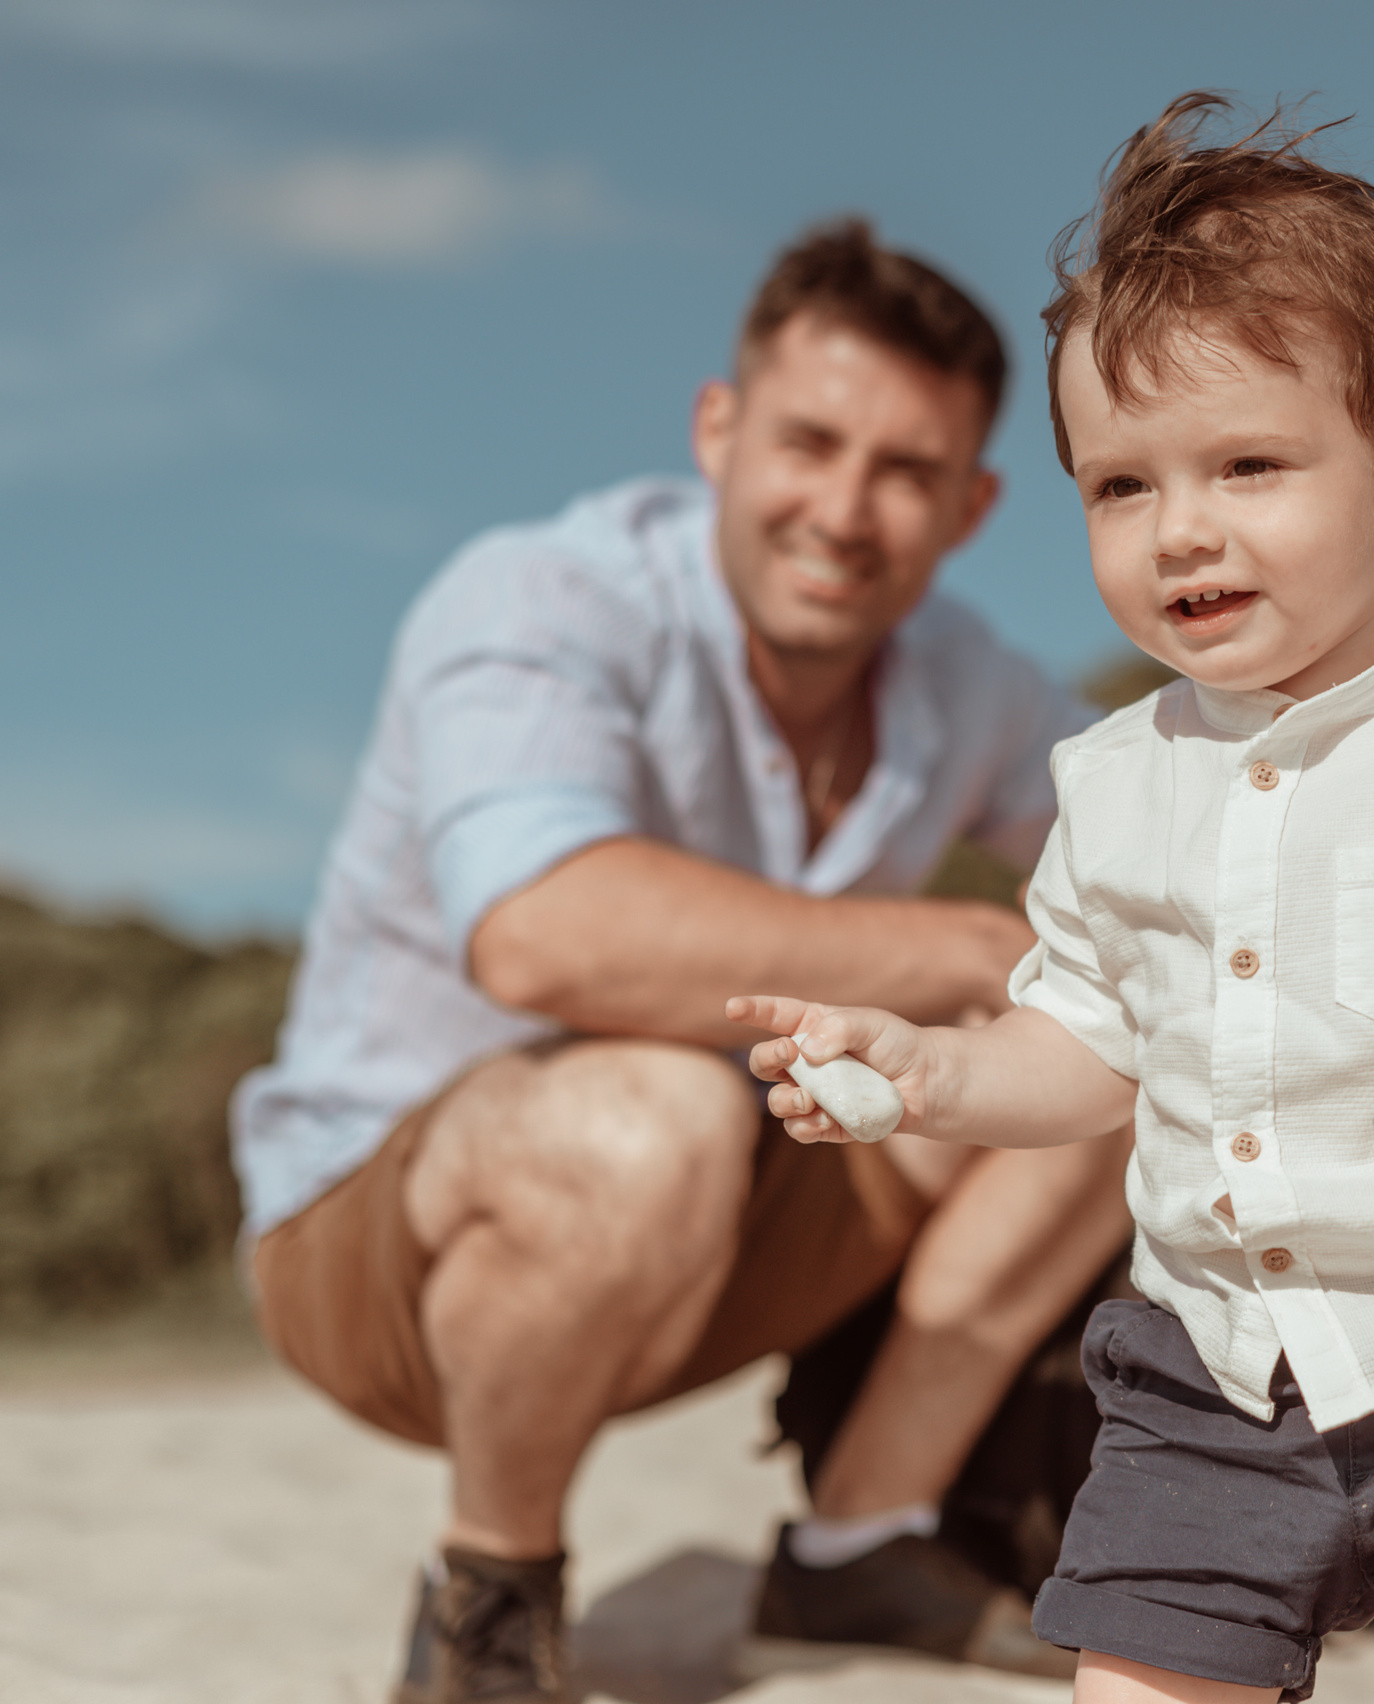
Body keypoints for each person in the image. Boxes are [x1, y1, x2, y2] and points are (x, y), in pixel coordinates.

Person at [731, 94, 1374, 1704]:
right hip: (1211, 1373)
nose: (1182, 527)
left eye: (1250, 464)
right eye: (1120, 486)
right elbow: (1083, 1044)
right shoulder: (1112, 783)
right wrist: (929, 1070)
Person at [229, 220, 1133, 1704]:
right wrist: (971, 945)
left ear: (971, 506)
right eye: (810, 442)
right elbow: (543, 933)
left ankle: (860, 1543)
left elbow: (1164, 847)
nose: (844, 510)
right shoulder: (541, 597)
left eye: (905, 473)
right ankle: (491, 1601)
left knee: (1125, 1026)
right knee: (651, 1115)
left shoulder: (964, 676)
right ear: (719, 431)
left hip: (735, 1201)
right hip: (393, 1235)